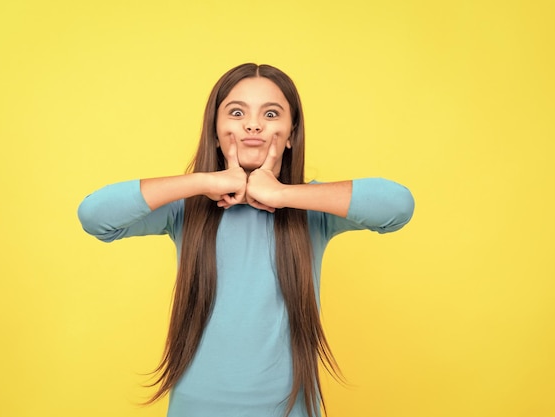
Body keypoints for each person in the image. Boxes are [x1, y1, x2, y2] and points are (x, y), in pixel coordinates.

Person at [77, 63, 415, 417]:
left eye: (271, 113)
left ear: (290, 135)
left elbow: (397, 207)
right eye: (237, 112)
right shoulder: (185, 208)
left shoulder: (312, 208)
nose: (253, 124)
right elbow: (95, 217)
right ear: (216, 130)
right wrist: (202, 183)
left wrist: (284, 194)